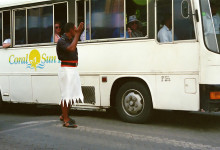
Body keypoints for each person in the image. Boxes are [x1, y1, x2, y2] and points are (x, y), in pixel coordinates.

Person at [56, 22, 84, 128]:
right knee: (66, 95)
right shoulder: (61, 41)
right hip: (66, 69)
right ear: (71, 30)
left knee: (72, 94)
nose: (76, 29)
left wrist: (77, 34)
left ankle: (64, 115)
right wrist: (77, 34)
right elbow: (71, 49)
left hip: (72, 69)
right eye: (75, 28)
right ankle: (66, 120)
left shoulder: (69, 39)